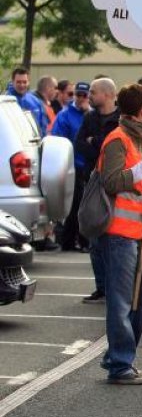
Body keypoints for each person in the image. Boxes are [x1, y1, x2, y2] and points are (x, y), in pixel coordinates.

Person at [96, 83, 142, 384]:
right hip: (120, 232)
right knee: (123, 302)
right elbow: (111, 181)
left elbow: (136, 185)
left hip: (140, 230)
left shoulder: (139, 142)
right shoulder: (118, 139)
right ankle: (120, 363)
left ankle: (119, 356)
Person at [76, 78, 120, 301]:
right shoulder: (89, 117)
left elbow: (113, 149)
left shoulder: (121, 119)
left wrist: (97, 142)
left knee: (113, 239)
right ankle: (101, 287)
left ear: (107, 94)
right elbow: (80, 144)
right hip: (93, 183)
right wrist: (96, 145)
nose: (89, 96)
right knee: (95, 238)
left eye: (93, 92)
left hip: (115, 185)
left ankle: (115, 287)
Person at [52, 82, 91, 251]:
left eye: (84, 95)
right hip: (72, 166)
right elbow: (58, 139)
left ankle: (84, 241)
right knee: (74, 205)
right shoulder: (65, 115)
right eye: (78, 95)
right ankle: (68, 241)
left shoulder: (92, 114)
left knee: (86, 204)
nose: (81, 98)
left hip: (88, 165)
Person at [7, 68, 46, 135]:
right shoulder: (5, 102)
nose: (22, 85)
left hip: (34, 143)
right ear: (13, 82)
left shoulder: (36, 102)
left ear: (29, 82)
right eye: (18, 82)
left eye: (24, 82)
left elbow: (43, 126)